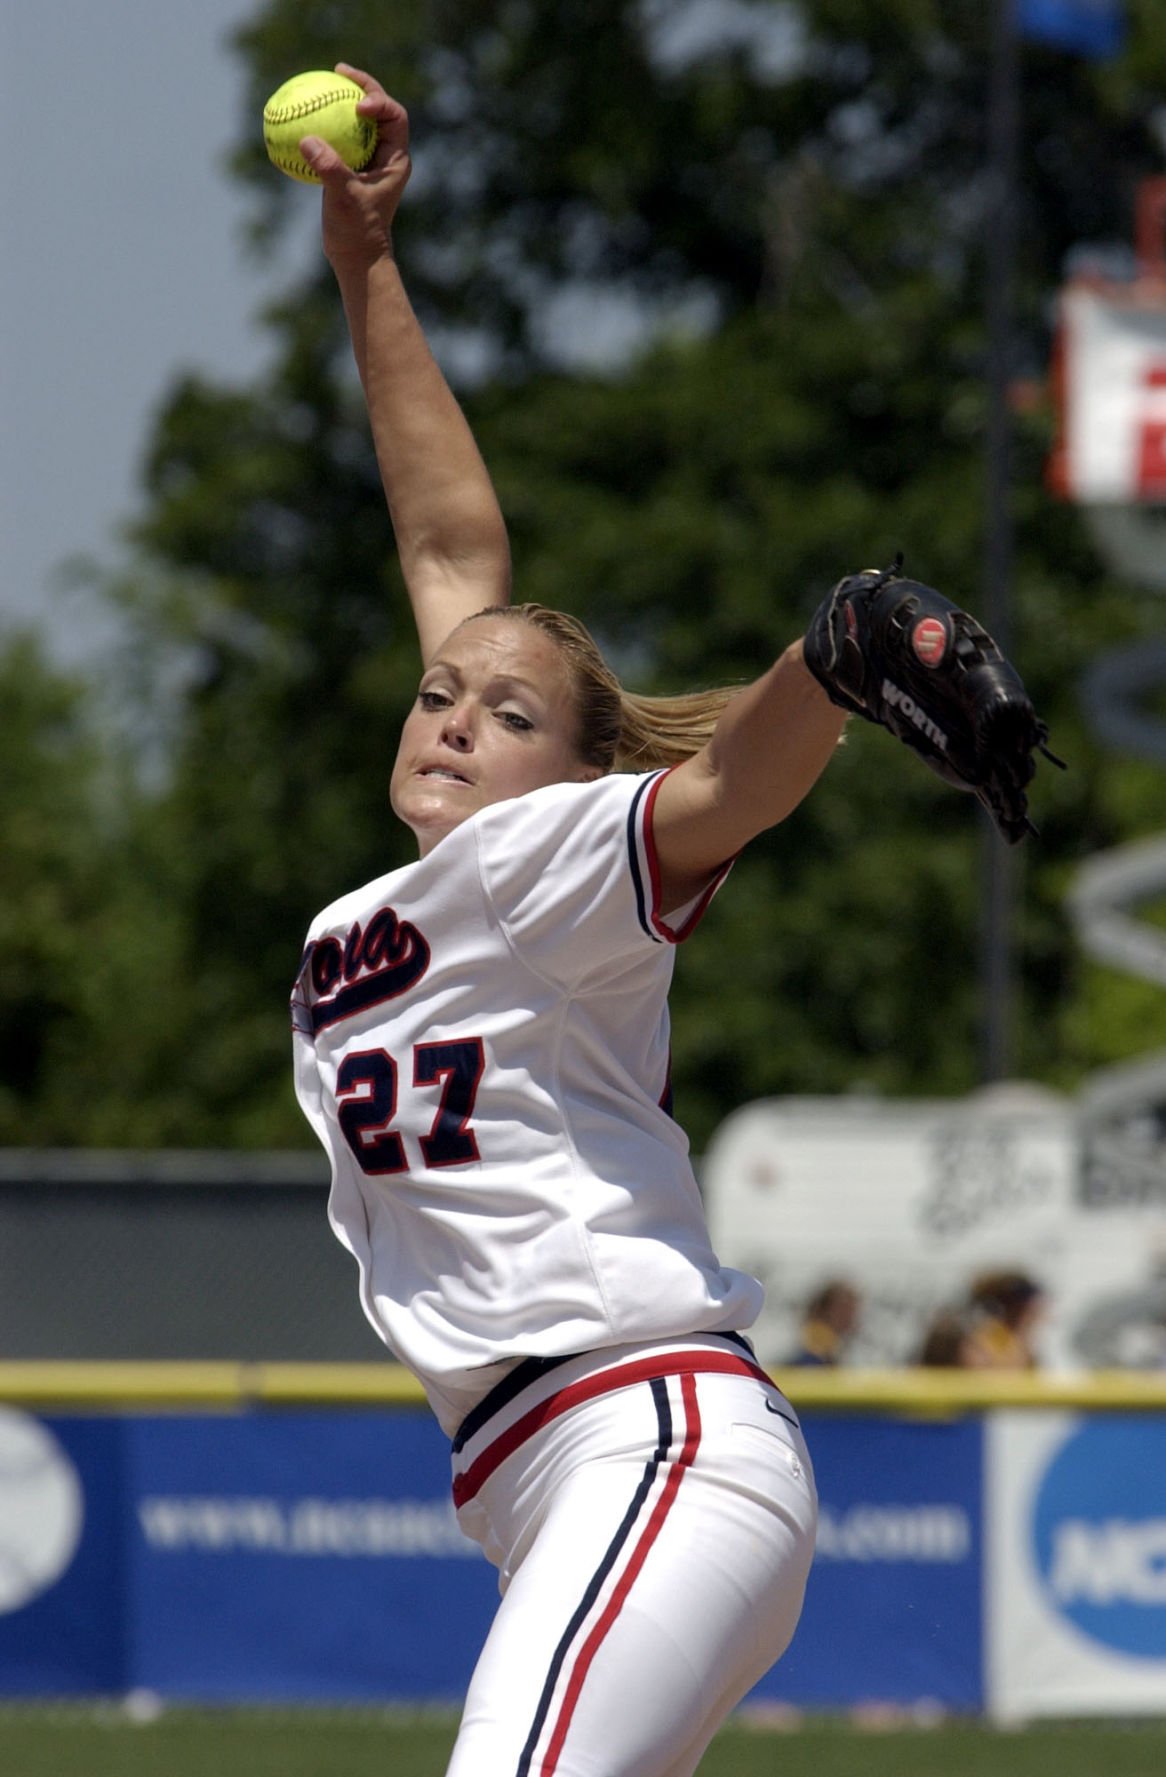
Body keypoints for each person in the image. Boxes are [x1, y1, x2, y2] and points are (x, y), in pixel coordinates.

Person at [289, 66, 847, 1777]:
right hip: (558, 1479)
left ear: (570, 779)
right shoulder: (404, 895)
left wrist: (830, 663)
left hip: (643, 1437)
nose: (453, 711)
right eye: (440, 693)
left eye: (508, 717)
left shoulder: (541, 866)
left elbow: (714, 797)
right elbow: (450, 540)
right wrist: (363, 258)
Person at [787, 1279, 862, 1366]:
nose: (851, 1317)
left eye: (853, 1310)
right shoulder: (815, 1352)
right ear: (823, 1310)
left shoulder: (835, 1348)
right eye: (844, 1310)